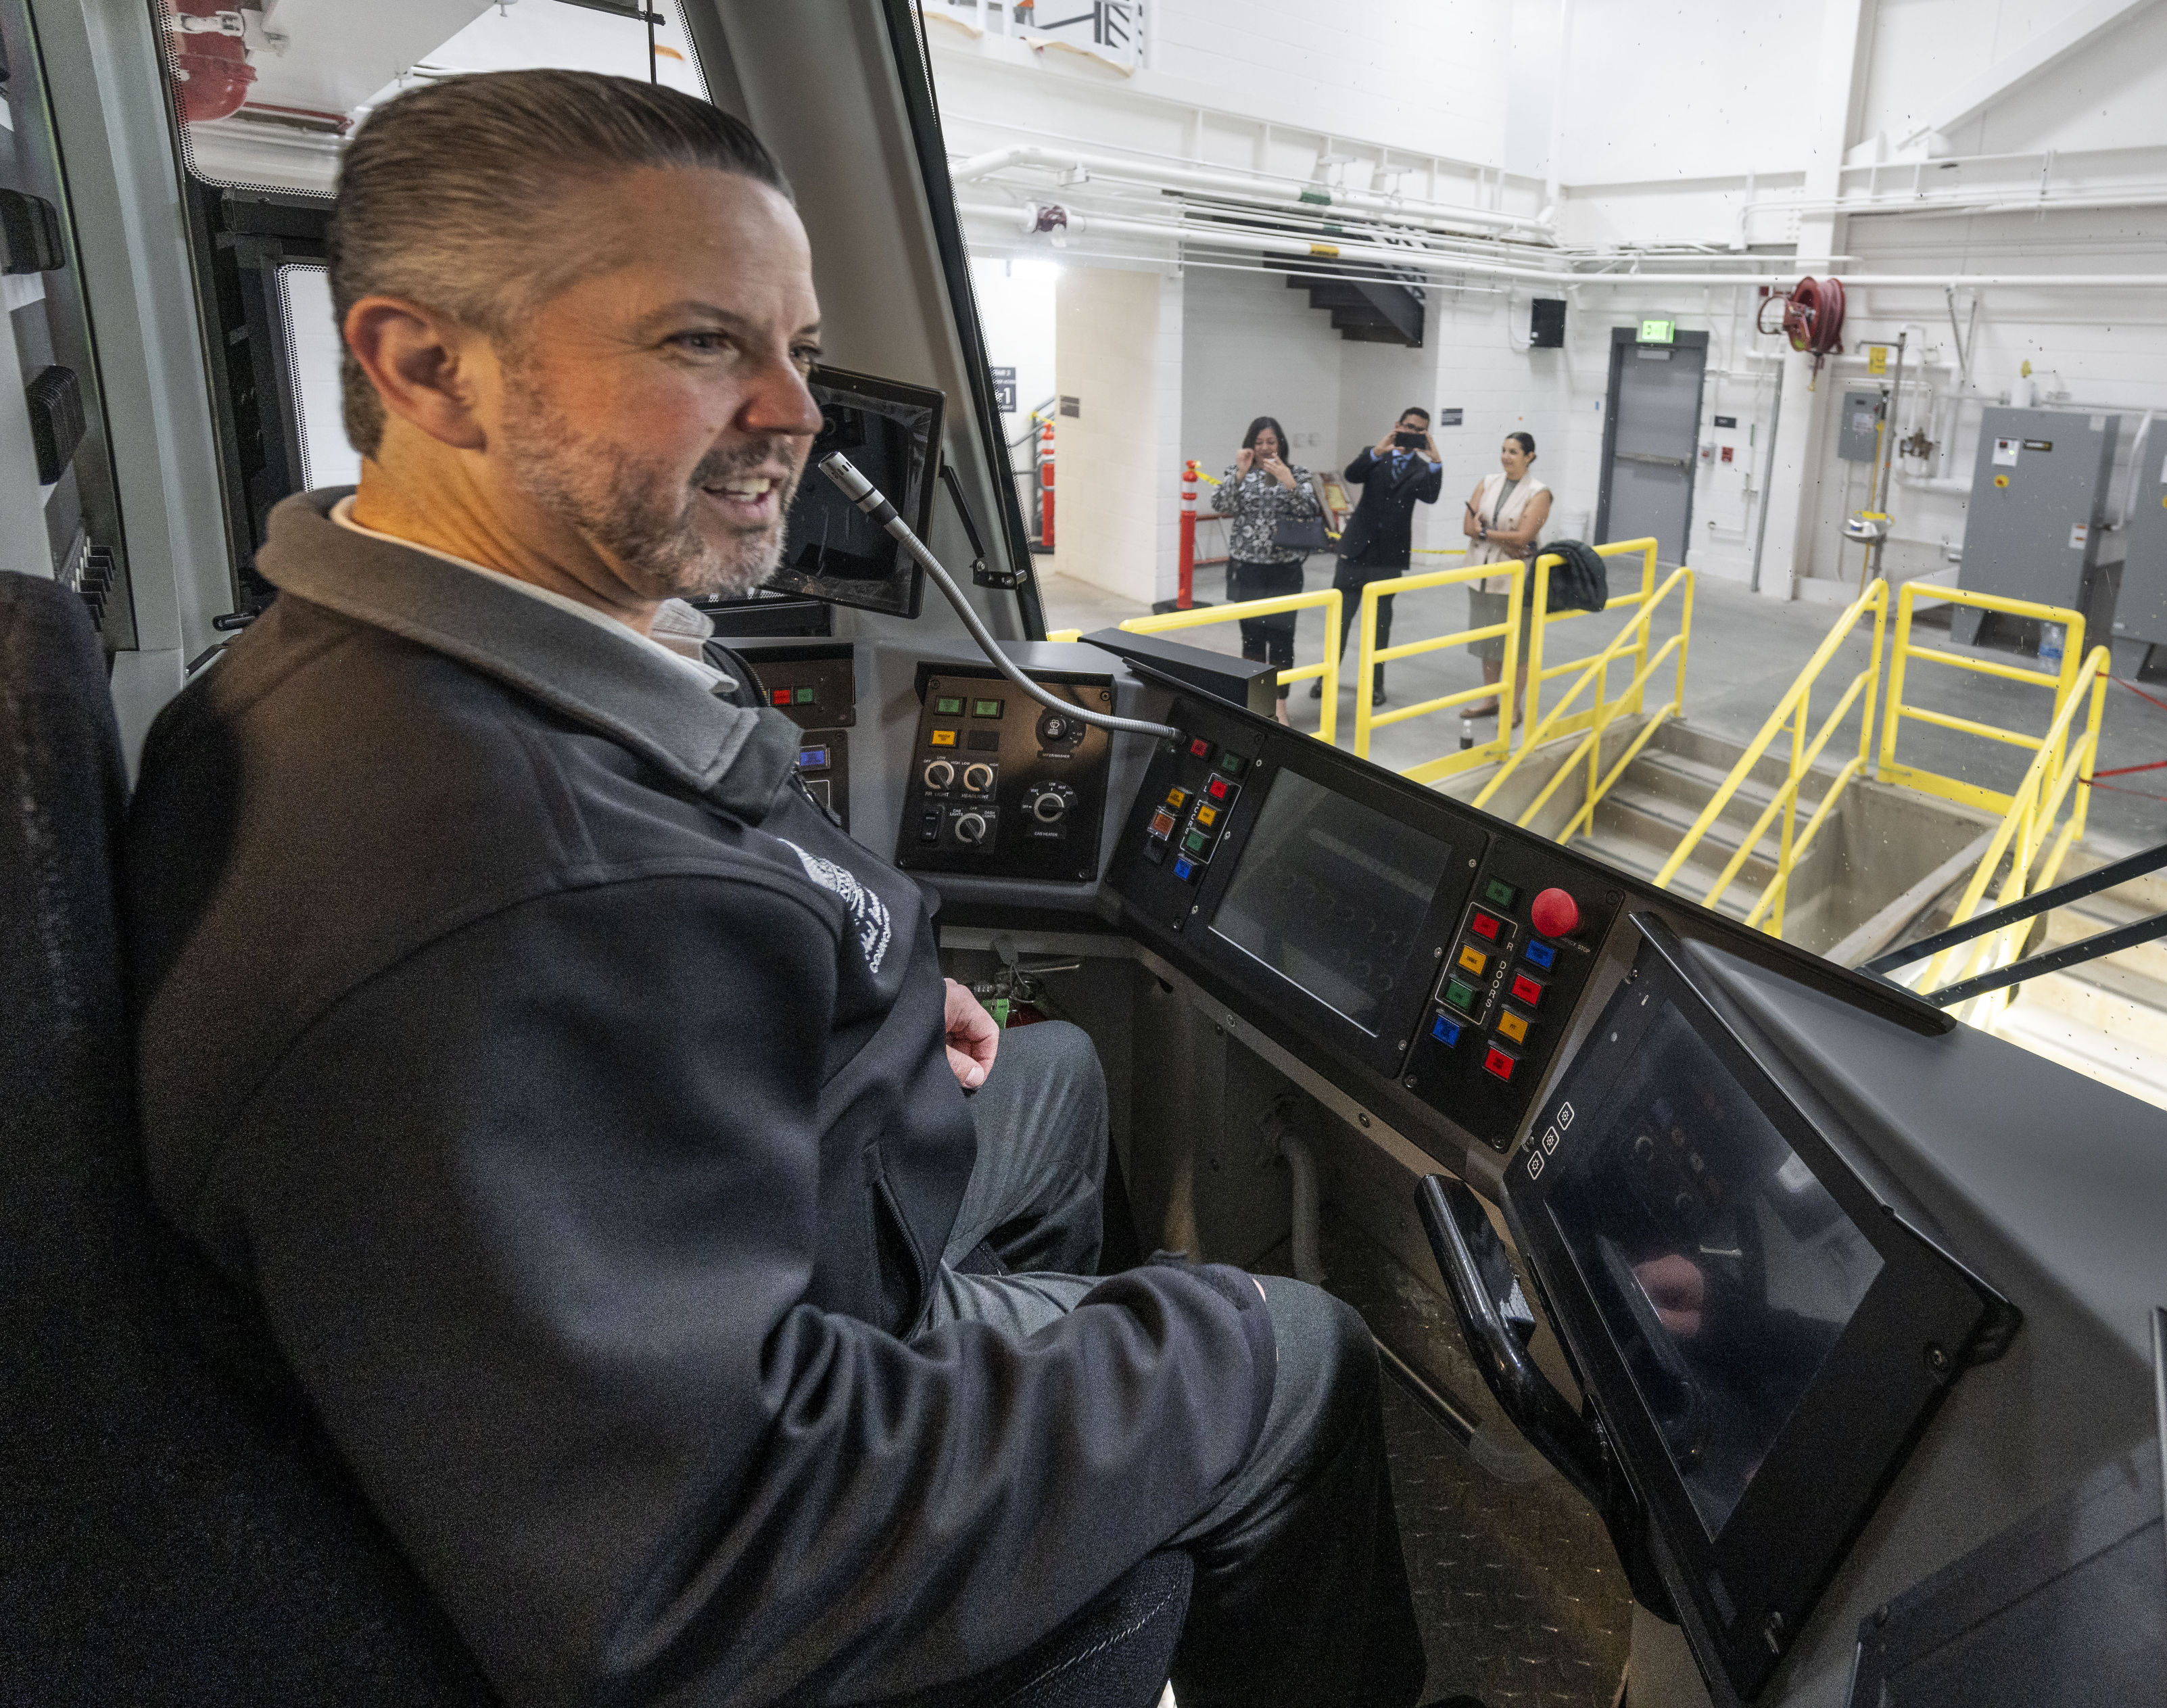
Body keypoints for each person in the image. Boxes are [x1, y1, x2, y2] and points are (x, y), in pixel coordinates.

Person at [120, 70, 1439, 1708]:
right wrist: (1182, 1346)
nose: (795, 413)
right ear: (425, 365)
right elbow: (702, 1549)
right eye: (699, 342)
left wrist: (852, 988)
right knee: (1290, 1353)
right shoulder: (509, 889)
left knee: (1059, 1078)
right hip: (749, 1433)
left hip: (755, 1216)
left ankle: (1038, 1416)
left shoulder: (407, 657)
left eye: (797, 350)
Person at [1211, 416, 1325, 726]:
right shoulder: (1238, 473)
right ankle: (1254, 702)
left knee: (1282, 638)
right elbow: (1222, 504)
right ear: (1250, 444)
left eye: (1270, 442)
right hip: (1247, 568)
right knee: (1251, 638)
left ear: (1280, 444)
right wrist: (1239, 473)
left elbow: (1311, 511)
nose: (1264, 448)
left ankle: (1280, 704)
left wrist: (1289, 481)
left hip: (1284, 569)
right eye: (1259, 442)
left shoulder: (1297, 473)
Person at [1333, 407, 1444, 708]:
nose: (1412, 433)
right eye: (1408, 427)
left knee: (1380, 626)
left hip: (1388, 557)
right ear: (1397, 426)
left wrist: (1436, 460)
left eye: (1419, 430)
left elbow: (1431, 496)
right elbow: (1352, 475)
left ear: (1425, 434)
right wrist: (1378, 451)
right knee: (1340, 621)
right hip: (1355, 550)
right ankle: (1326, 679)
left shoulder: (1423, 468)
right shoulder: (1376, 454)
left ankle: (1375, 684)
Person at [1460, 431, 1554, 732]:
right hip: (1483, 573)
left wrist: (1485, 533)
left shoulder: (1539, 492)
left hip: (1517, 578)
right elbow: (1467, 526)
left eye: (1513, 452)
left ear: (1529, 457)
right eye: (1503, 450)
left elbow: (1524, 537)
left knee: (1517, 645)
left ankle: (1513, 707)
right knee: (1489, 641)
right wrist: (1500, 539)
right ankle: (1491, 700)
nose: (1506, 456)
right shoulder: (1488, 482)